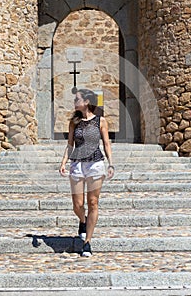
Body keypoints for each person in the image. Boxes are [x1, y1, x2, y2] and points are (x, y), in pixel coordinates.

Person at [59, 89, 114, 257]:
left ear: (87, 101)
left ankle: (87, 242)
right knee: (78, 205)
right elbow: (70, 145)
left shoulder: (101, 121)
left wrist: (111, 164)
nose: (75, 102)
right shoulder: (74, 122)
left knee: (93, 202)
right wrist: (63, 163)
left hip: (95, 164)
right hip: (77, 164)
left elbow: (106, 143)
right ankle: (83, 222)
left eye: (77, 99)